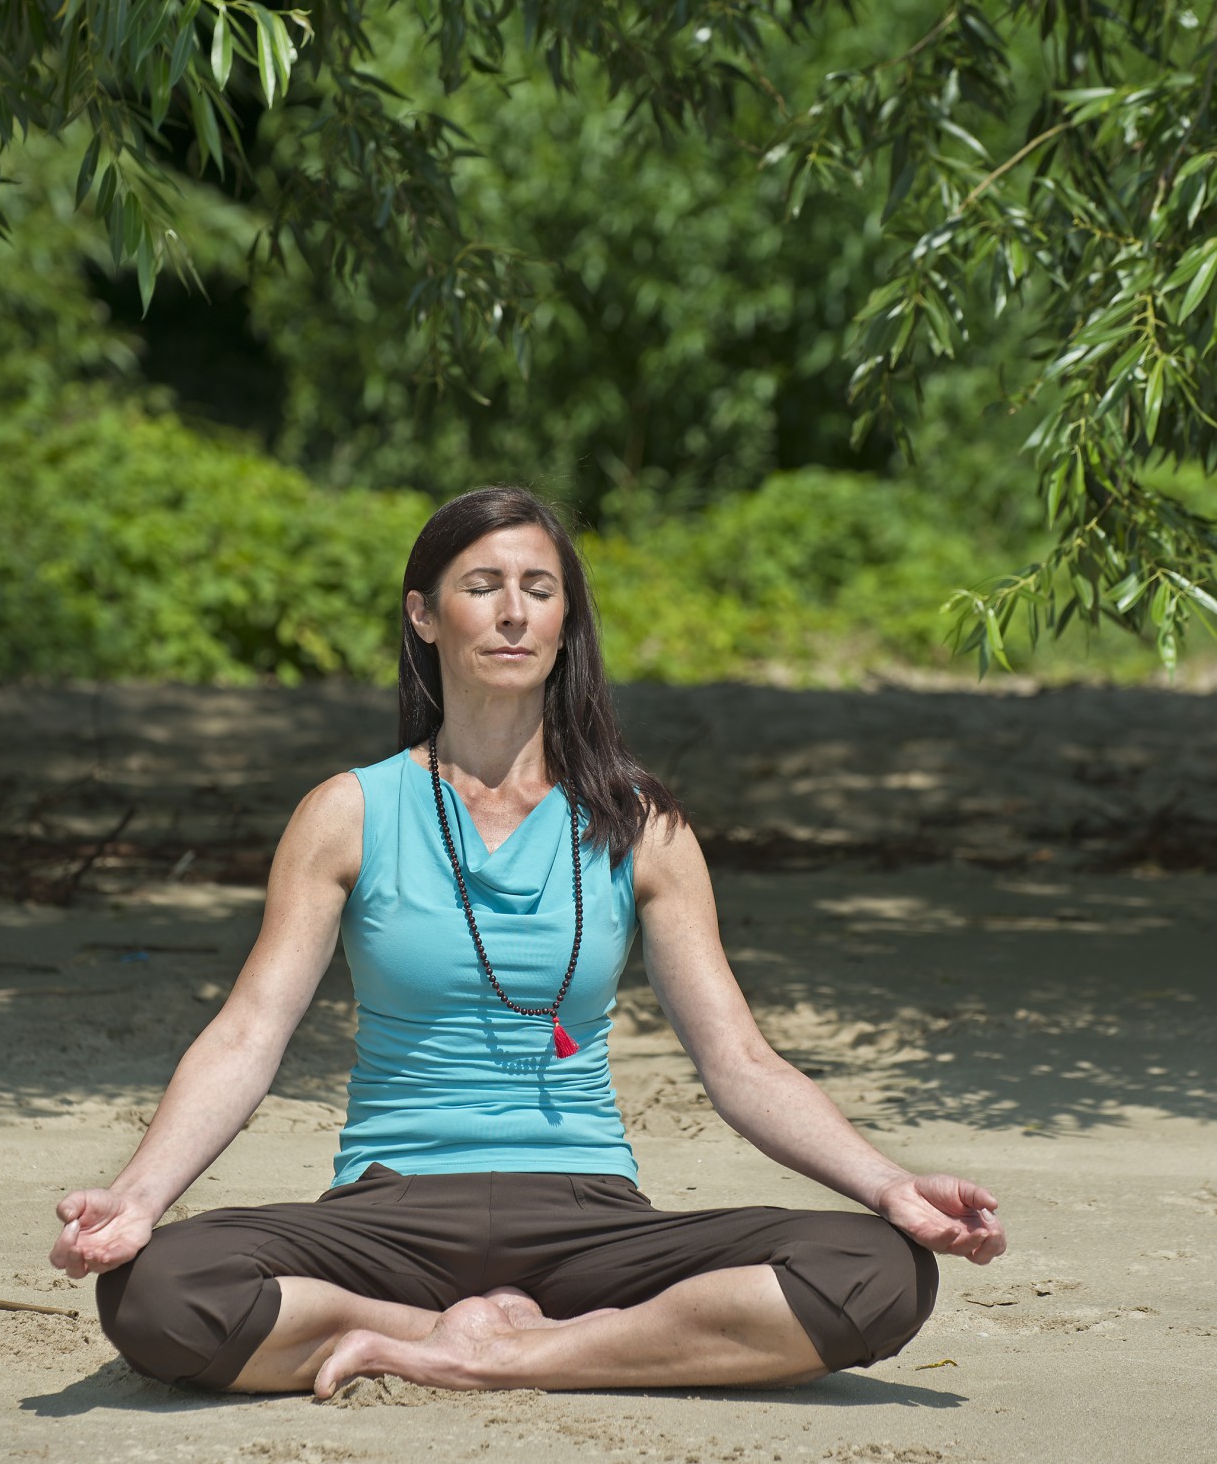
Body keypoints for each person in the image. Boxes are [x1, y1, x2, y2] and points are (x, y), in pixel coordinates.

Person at [51, 486, 1005, 1398]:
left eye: (538, 591)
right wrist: (138, 1196)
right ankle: (461, 1332)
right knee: (155, 1293)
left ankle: (492, 1355)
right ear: (424, 616)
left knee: (879, 1269)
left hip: (588, 1219)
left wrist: (889, 1184)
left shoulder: (643, 826)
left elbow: (740, 1061)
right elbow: (248, 1035)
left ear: (563, 624)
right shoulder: (347, 813)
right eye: (482, 587)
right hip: (392, 1215)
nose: (513, 613)